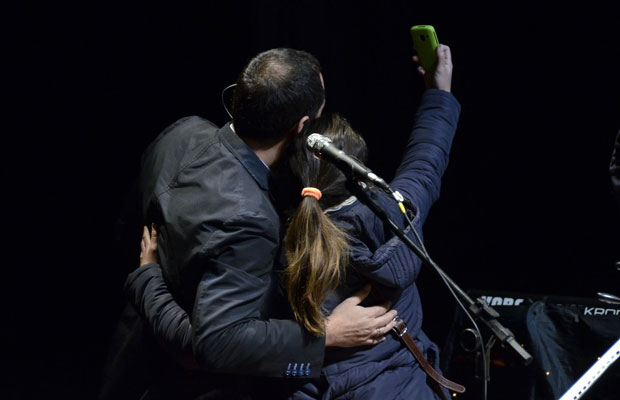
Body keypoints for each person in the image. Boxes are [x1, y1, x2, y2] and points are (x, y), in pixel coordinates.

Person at [128, 44, 461, 399]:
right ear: (304, 128)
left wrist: (149, 277)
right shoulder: (262, 229)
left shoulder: (181, 133)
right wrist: (439, 94)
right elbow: (425, 162)